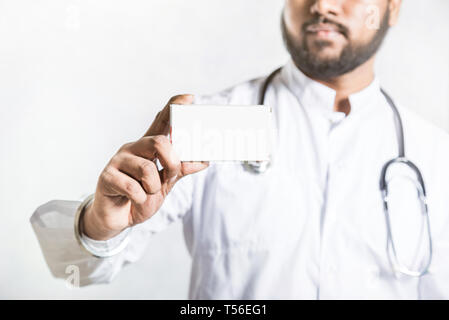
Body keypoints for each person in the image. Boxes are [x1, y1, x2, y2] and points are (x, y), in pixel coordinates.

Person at [30, 0, 449, 299]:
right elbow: (77, 269)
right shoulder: (208, 124)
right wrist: (100, 225)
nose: (323, 5)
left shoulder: (434, 154)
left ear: (393, 7)